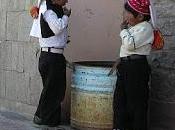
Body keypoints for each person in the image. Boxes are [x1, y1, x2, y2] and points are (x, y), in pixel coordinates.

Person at [29, 0, 71, 129]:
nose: (66, 1)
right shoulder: (49, 11)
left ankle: (47, 118)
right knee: (53, 90)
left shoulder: (51, 9)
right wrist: (66, 16)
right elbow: (57, 28)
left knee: (52, 89)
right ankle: (44, 119)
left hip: (52, 55)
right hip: (51, 56)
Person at [113, 0, 154, 130]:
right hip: (126, 66)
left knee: (135, 103)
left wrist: (123, 31)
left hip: (136, 67)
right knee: (120, 101)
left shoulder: (146, 28)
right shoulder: (133, 28)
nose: (124, 15)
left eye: (128, 12)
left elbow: (130, 45)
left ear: (140, 16)